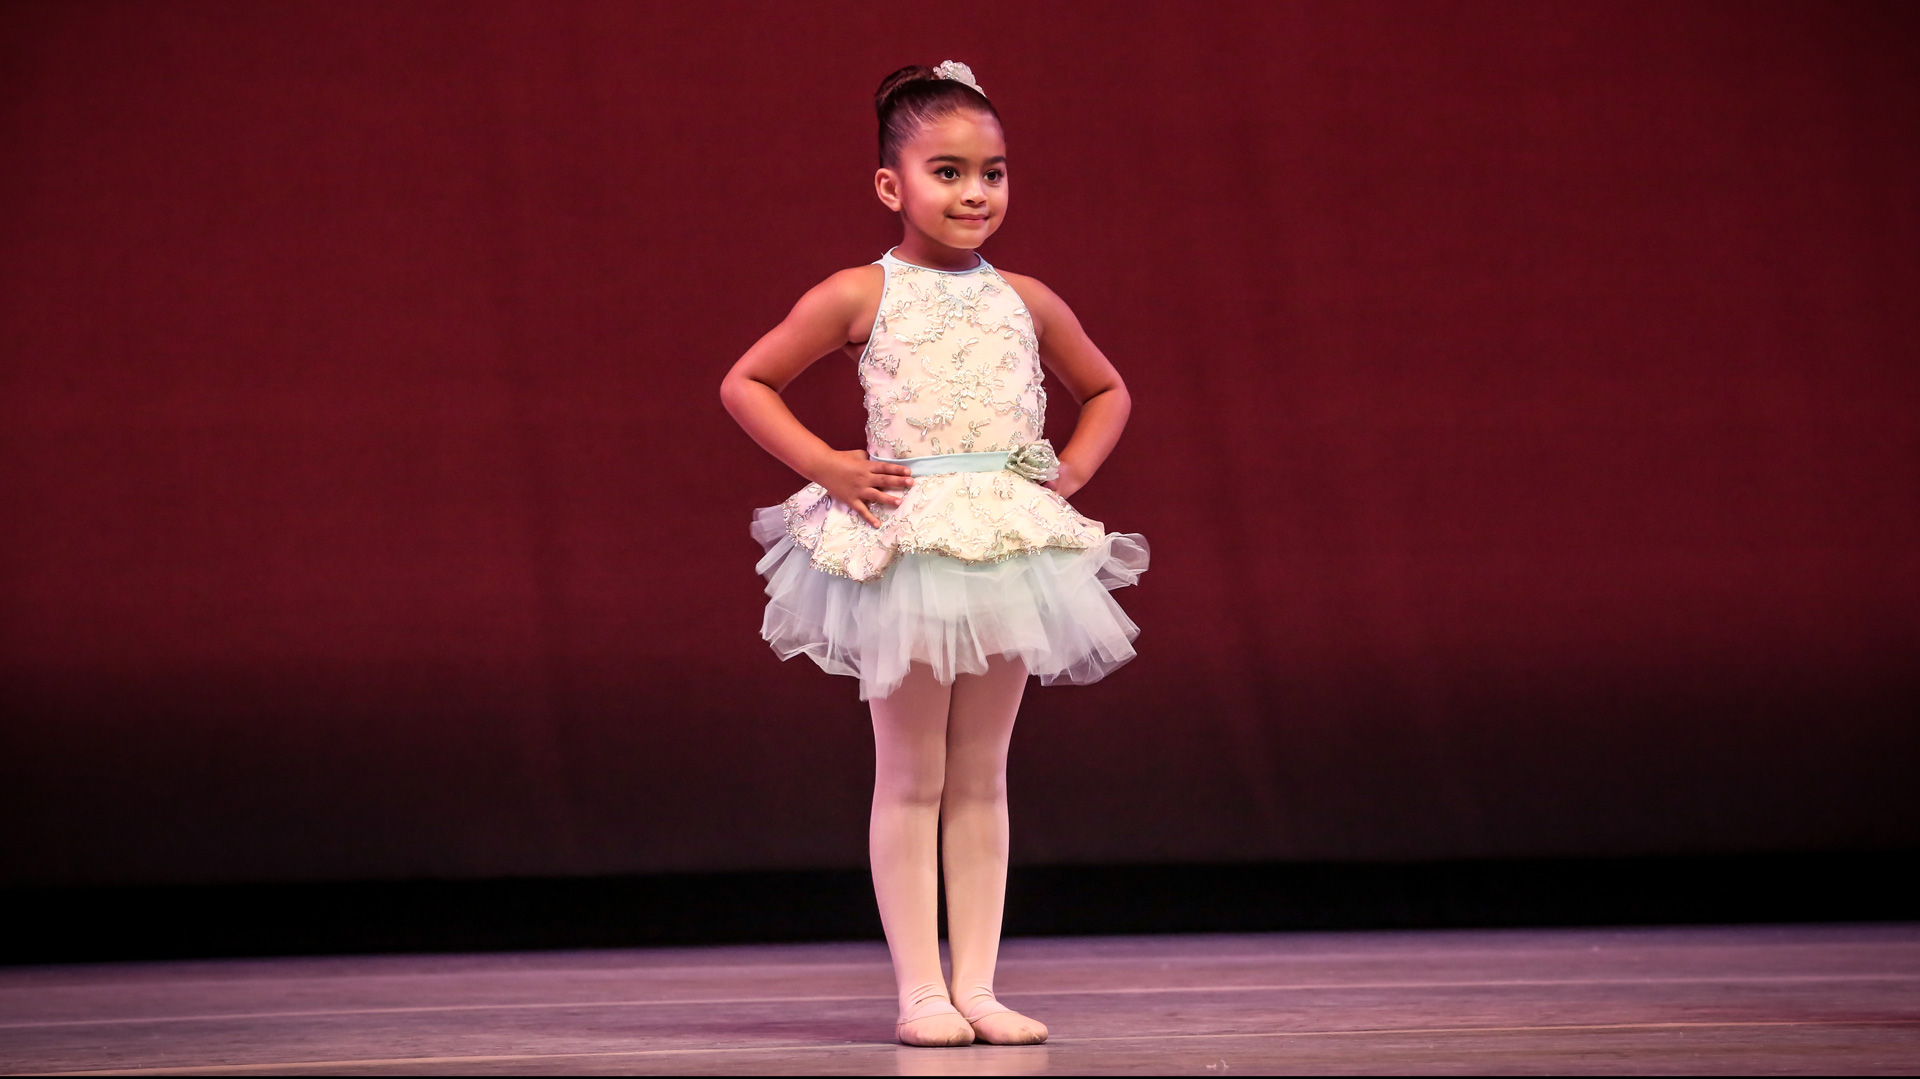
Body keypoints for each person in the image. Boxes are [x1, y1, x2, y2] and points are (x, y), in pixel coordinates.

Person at [719, 60, 1149, 1048]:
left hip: (1000, 543)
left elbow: (1108, 389)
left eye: (992, 172)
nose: (974, 193)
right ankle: (921, 989)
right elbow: (748, 381)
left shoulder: (1026, 298)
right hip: (909, 546)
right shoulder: (861, 292)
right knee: (910, 769)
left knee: (984, 770)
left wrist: (1069, 473)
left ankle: (981, 983)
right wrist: (829, 465)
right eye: (947, 171)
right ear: (891, 185)